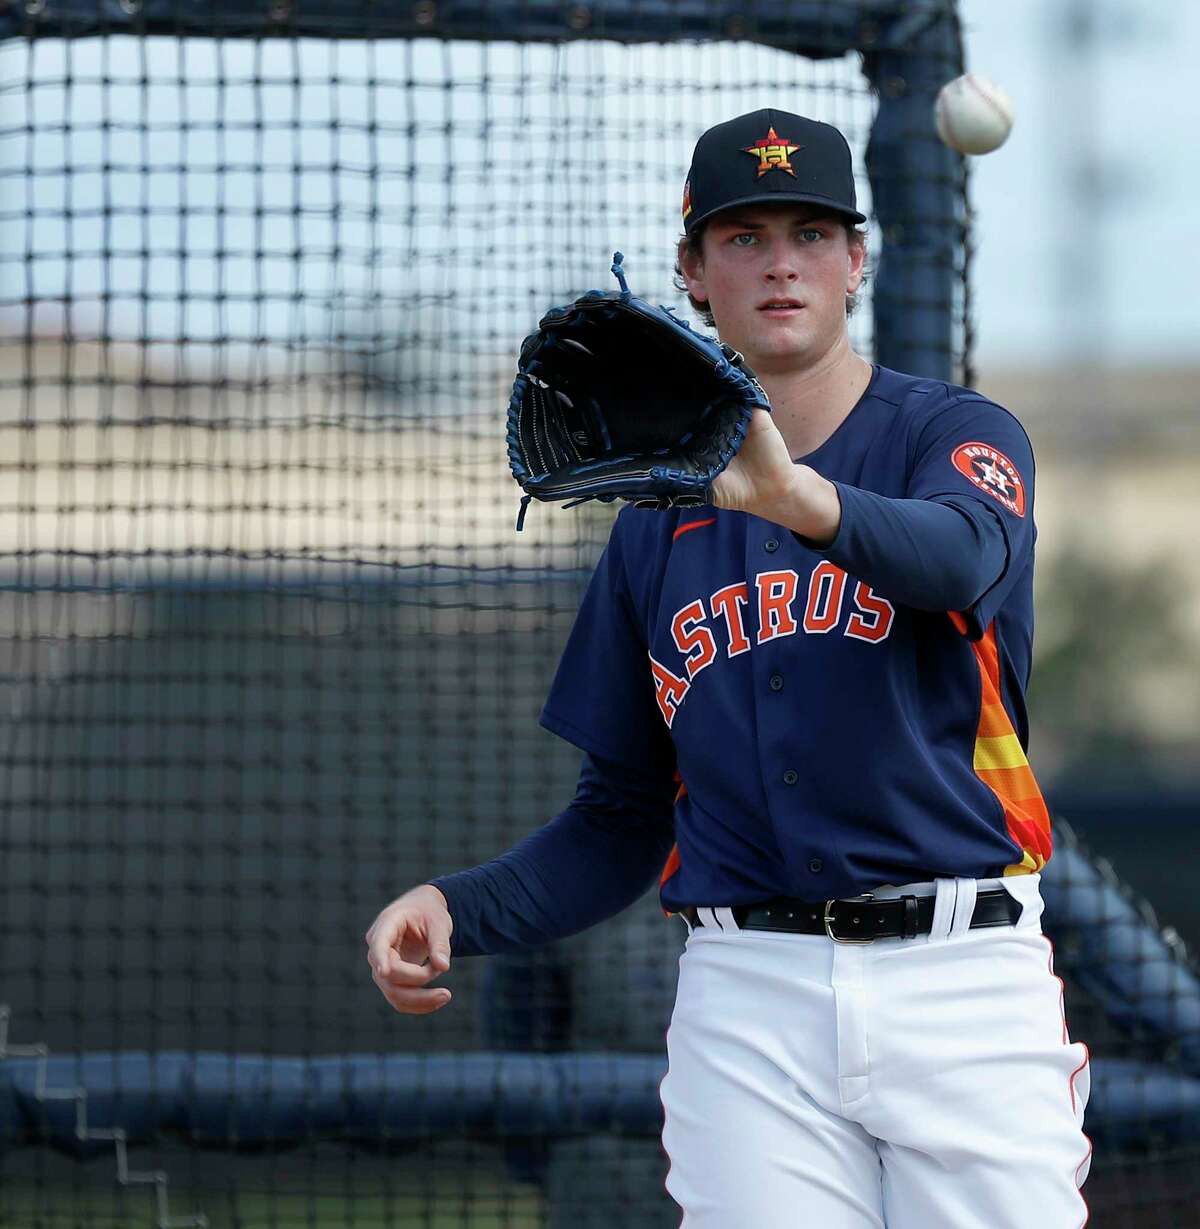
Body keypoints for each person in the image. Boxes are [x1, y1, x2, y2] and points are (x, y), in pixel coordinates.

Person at [364, 108, 1092, 1228]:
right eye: (744, 236)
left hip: (962, 977)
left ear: (858, 260)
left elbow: (960, 558)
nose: (782, 260)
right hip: (749, 994)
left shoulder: (953, 434)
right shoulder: (653, 529)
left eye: (811, 230)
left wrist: (798, 499)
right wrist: (457, 905)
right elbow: (620, 819)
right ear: (694, 273)